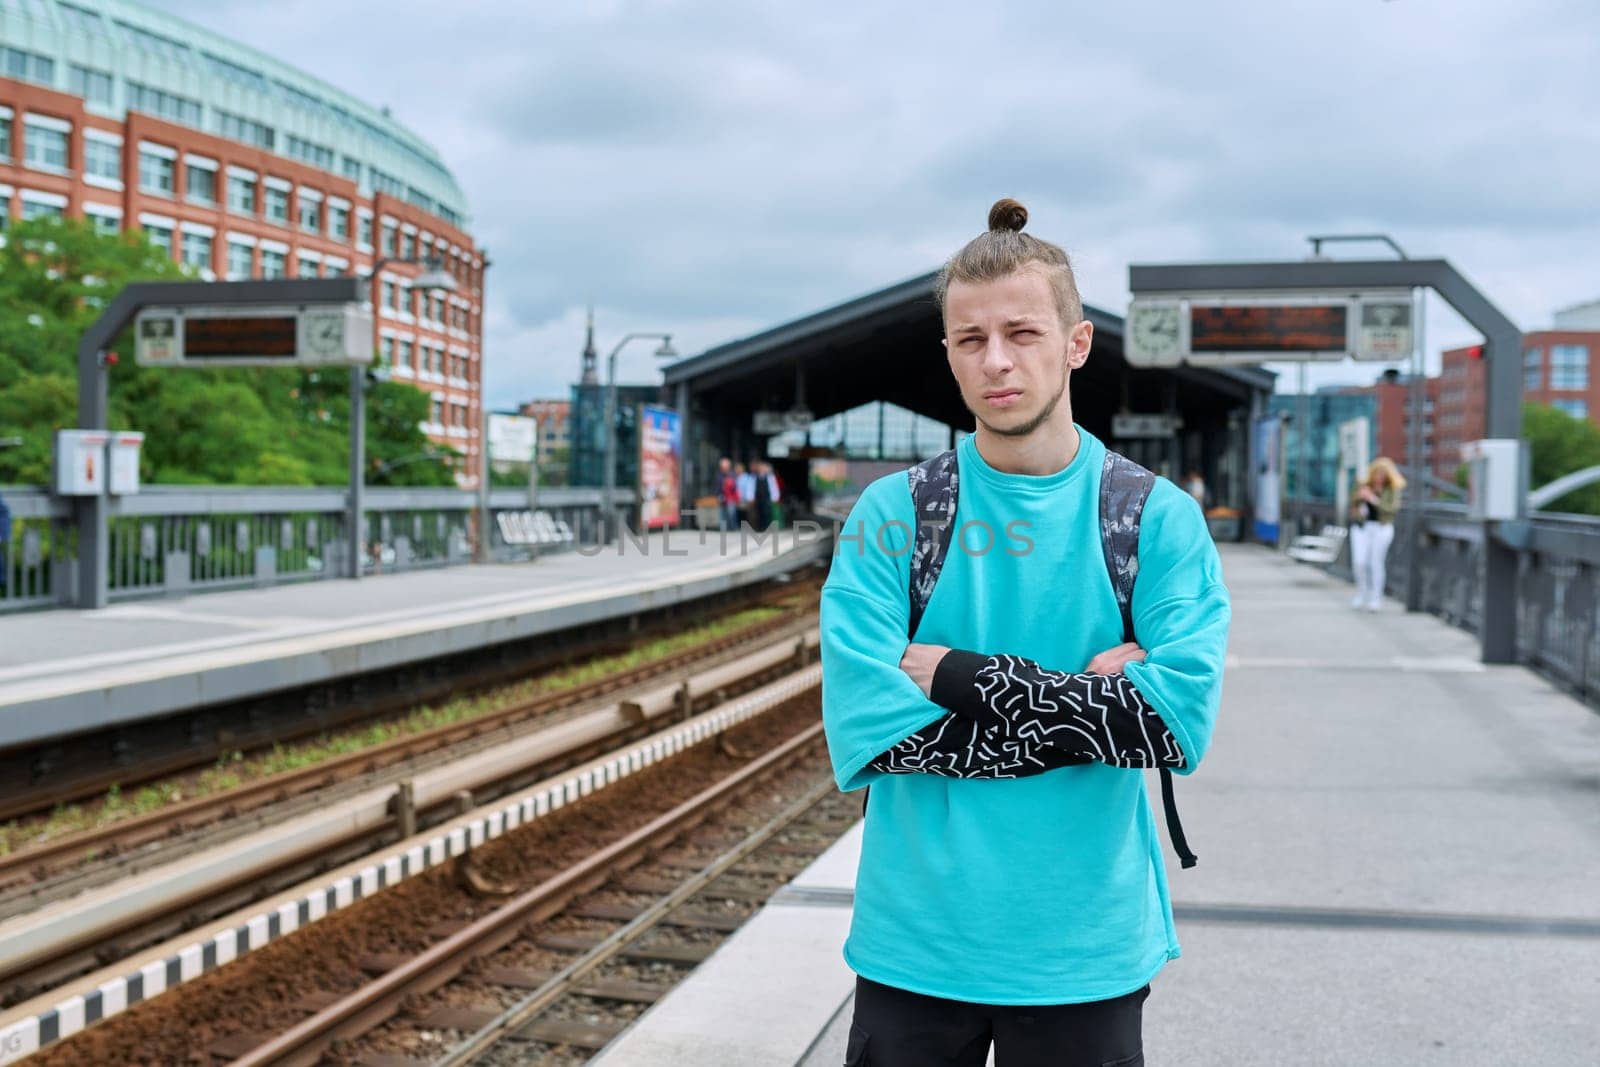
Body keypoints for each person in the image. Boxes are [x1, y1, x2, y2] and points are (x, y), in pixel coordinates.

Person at [820, 198, 1230, 1066]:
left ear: (1076, 343)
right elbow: (869, 726)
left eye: (1023, 333)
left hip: (1086, 951)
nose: (996, 360)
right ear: (948, 354)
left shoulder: (1154, 518)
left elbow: (1170, 724)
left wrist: (969, 678)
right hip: (915, 946)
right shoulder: (895, 514)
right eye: (971, 339)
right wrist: (1088, 708)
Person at [1349, 456, 1405, 612]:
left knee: (1376, 562)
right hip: (1362, 527)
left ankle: (1375, 598)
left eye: (1383, 475)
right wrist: (1360, 496)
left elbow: (1391, 509)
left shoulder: (1391, 490)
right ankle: (1362, 592)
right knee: (1359, 562)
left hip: (1381, 528)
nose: (1379, 478)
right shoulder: (1363, 485)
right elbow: (1352, 504)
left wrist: (1373, 499)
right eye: (1377, 474)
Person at [717, 456, 740, 532]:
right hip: (722, 496)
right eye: (722, 466)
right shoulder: (719, 475)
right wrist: (718, 495)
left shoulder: (733, 474)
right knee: (722, 513)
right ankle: (723, 528)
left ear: (728, 466)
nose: (723, 468)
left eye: (725, 466)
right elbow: (717, 486)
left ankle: (733, 527)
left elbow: (736, 487)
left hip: (731, 497)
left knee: (731, 512)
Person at [752, 459, 776, 531]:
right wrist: (751, 497)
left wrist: (775, 497)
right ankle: (760, 527)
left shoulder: (770, 477)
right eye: (760, 468)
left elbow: (773, 487)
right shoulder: (754, 477)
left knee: (767, 512)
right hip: (758, 497)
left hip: (766, 497)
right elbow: (752, 488)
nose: (761, 469)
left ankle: (767, 527)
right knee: (759, 512)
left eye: (763, 468)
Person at [735, 462, 756, 528]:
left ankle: (748, 527)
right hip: (738, 498)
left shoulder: (747, 477)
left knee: (746, 513)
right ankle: (740, 527)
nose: (737, 471)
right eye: (736, 469)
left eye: (738, 469)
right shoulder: (736, 477)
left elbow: (750, 488)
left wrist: (750, 498)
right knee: (740, 513)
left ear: (742, 469)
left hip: (746, 498)